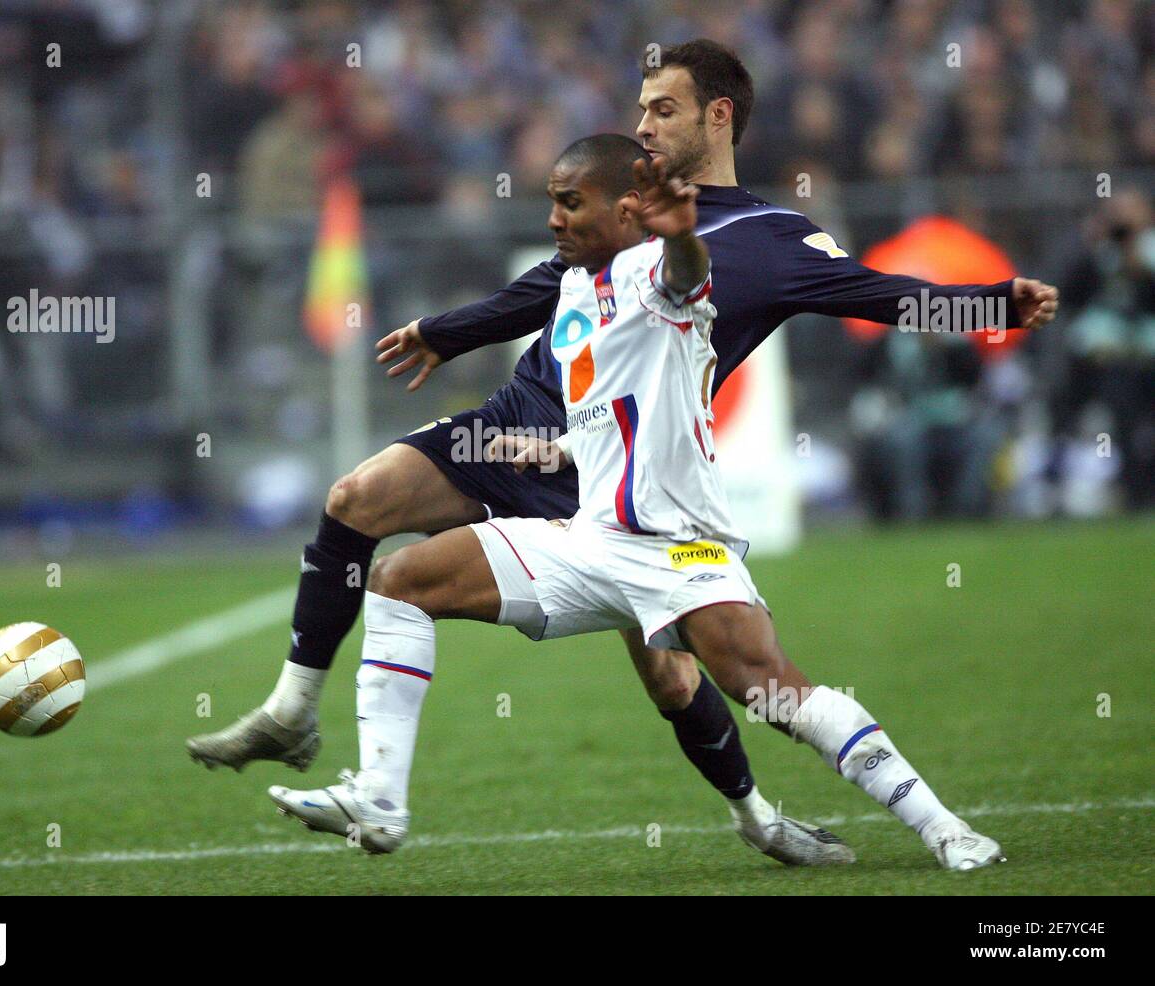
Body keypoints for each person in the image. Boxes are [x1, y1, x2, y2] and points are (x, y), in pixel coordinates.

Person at [188, 39, 1057, 856]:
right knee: (362, 510)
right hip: (534, 440)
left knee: (686, 684)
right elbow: (544, 284)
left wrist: (986, 307)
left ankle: (762, 814)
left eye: (664, 109)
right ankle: (317, 732)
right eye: (640, 110)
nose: (645, 124)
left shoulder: (753, 242)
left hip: (626, 493)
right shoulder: (604, 229)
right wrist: (448, 334)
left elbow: (878, 296)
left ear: (719, 117)